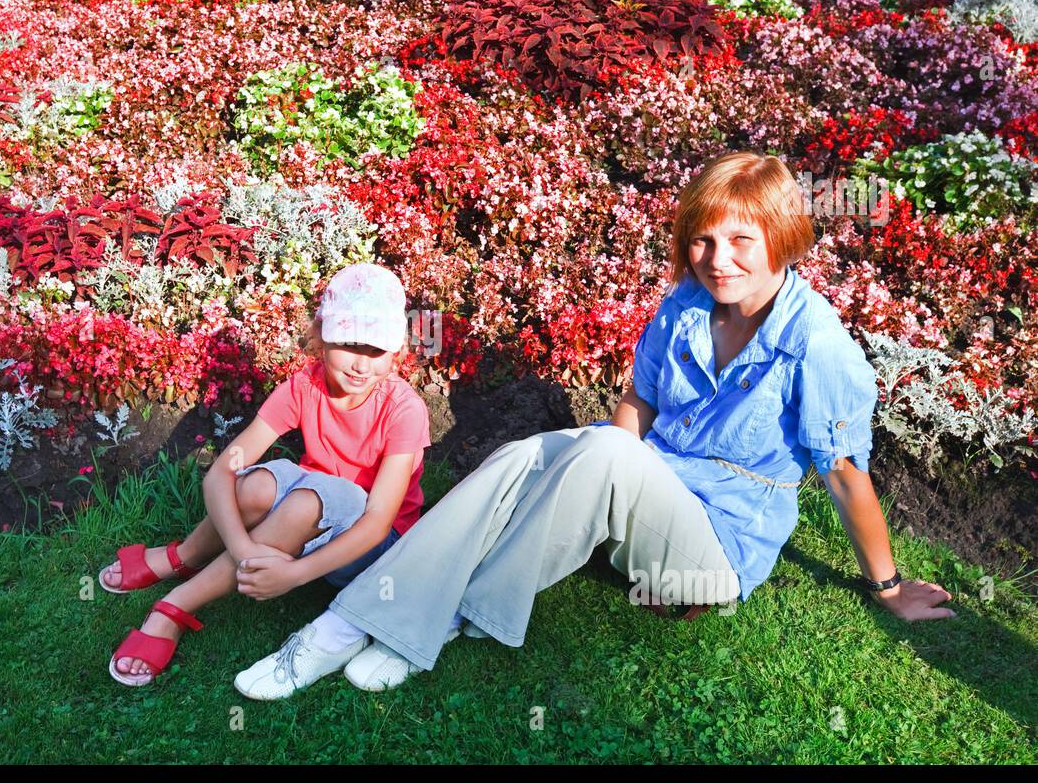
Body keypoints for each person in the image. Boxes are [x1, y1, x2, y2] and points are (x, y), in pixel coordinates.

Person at [236, 150, 955, 698]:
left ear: (784, 237)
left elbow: (842, 473)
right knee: (523, 459)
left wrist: (888, 588)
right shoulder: (688, 303)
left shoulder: (817, 344)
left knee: (603, 451)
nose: (717, 259)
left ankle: (401, 616)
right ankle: (362, 624)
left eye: (741, 240)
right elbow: (638, 405)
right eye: (703, 240)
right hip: (640, 515)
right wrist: (586, 488)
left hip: (712, 556)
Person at [103, 263, 431, 686]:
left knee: (303, 502)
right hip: (317, 508)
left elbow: (376, 522)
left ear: (396, 353)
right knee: (255, 485)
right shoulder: (303, 387)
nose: (361, 365)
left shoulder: (404, 409)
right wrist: (242, 551)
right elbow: (222, 473)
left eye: (377, 350)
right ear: (321, 337)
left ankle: (174, 606)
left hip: (373, 550)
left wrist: (294, 575)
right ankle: (185, 556)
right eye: (349, 343)